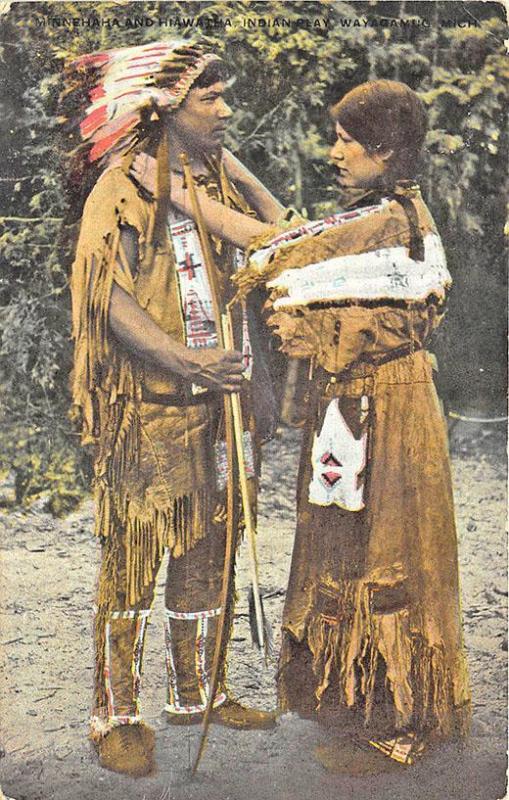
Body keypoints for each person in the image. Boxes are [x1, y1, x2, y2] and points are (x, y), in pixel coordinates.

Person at [235, 80, 471, 770]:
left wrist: (311, 325)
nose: (332, 152)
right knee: (347, 544)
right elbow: (293, 244)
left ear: (386, 148)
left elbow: (279, 256)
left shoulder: (393, 220)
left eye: (345, 139)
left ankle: (411, 717)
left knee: (390, 549)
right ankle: (360, 698)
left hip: (391, 403)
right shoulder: (370, 214)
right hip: (350, 399)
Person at [64, 39, 283, 778]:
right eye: (209, 98)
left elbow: (278, 237)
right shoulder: (119, 187)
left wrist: (227, 162)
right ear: (165, 107)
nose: (227, 110)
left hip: (216, 407)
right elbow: (108, 299)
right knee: (133, 555)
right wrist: (182, 357)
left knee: (207, 550)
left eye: (225, 97)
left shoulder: (208, 181)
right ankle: (115, 713)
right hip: (149, 407)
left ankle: (195, 694)